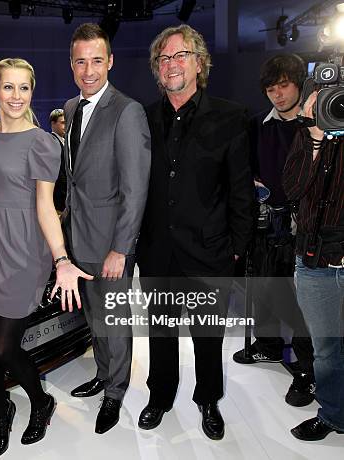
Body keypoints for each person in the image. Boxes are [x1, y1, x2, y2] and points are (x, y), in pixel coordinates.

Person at [136, 24, 254, 440]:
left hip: (210, 252)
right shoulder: (142, 118)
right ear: (157, 68)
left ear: (199, 63)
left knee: (208, 337)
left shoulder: (231, 116)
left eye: (180, 55)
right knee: (160, 332)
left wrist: (237, 252)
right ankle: (160, 395)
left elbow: (242, 192)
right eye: (164, 58)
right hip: (157, 251)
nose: (172, 64)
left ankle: (208, 400)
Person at [0, 58, 92, 457]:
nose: (17, 96)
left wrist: (61, 259)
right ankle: (1, 408)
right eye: (9, 87)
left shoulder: (42, 142)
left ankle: (40, 402)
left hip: (24, 249)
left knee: (5, 348)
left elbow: (44, 206)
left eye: (24, 88)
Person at [63, 23, 151, 434]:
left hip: (112, 242)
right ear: (72, 64)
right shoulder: (70, 107)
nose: (89, 70)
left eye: (97, 60)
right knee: (96, 317)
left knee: (114, 320)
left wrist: (121, 247)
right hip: (79, 237)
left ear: (110, 61)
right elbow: (75, 180)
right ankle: (102, 374)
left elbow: (135, 188)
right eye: (81, 61)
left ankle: (114, 393)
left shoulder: (127, 111)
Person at [232, 54, 315, 407]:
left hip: (305, 226)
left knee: (303, 304)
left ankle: (309, 372)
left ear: (298, 84)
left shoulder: (314, 126)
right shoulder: (258, 126)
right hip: (266, 221)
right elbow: (247, 168)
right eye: (271, 88)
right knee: (265, 286)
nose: (278, 94)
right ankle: (267, 345)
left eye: (284, 86)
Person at [283, 91, 344, 442]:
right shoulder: (310, 131)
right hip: (315, 258)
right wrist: (315, 136)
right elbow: (292, 187)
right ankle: (334, 413)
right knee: (325, 350)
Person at [49, 108, 67, 211]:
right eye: (63, 123)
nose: (66, 126)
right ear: (53, 123)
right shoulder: (52, 142)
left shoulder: (64, 141)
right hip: (59, 200)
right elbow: (59, 174)